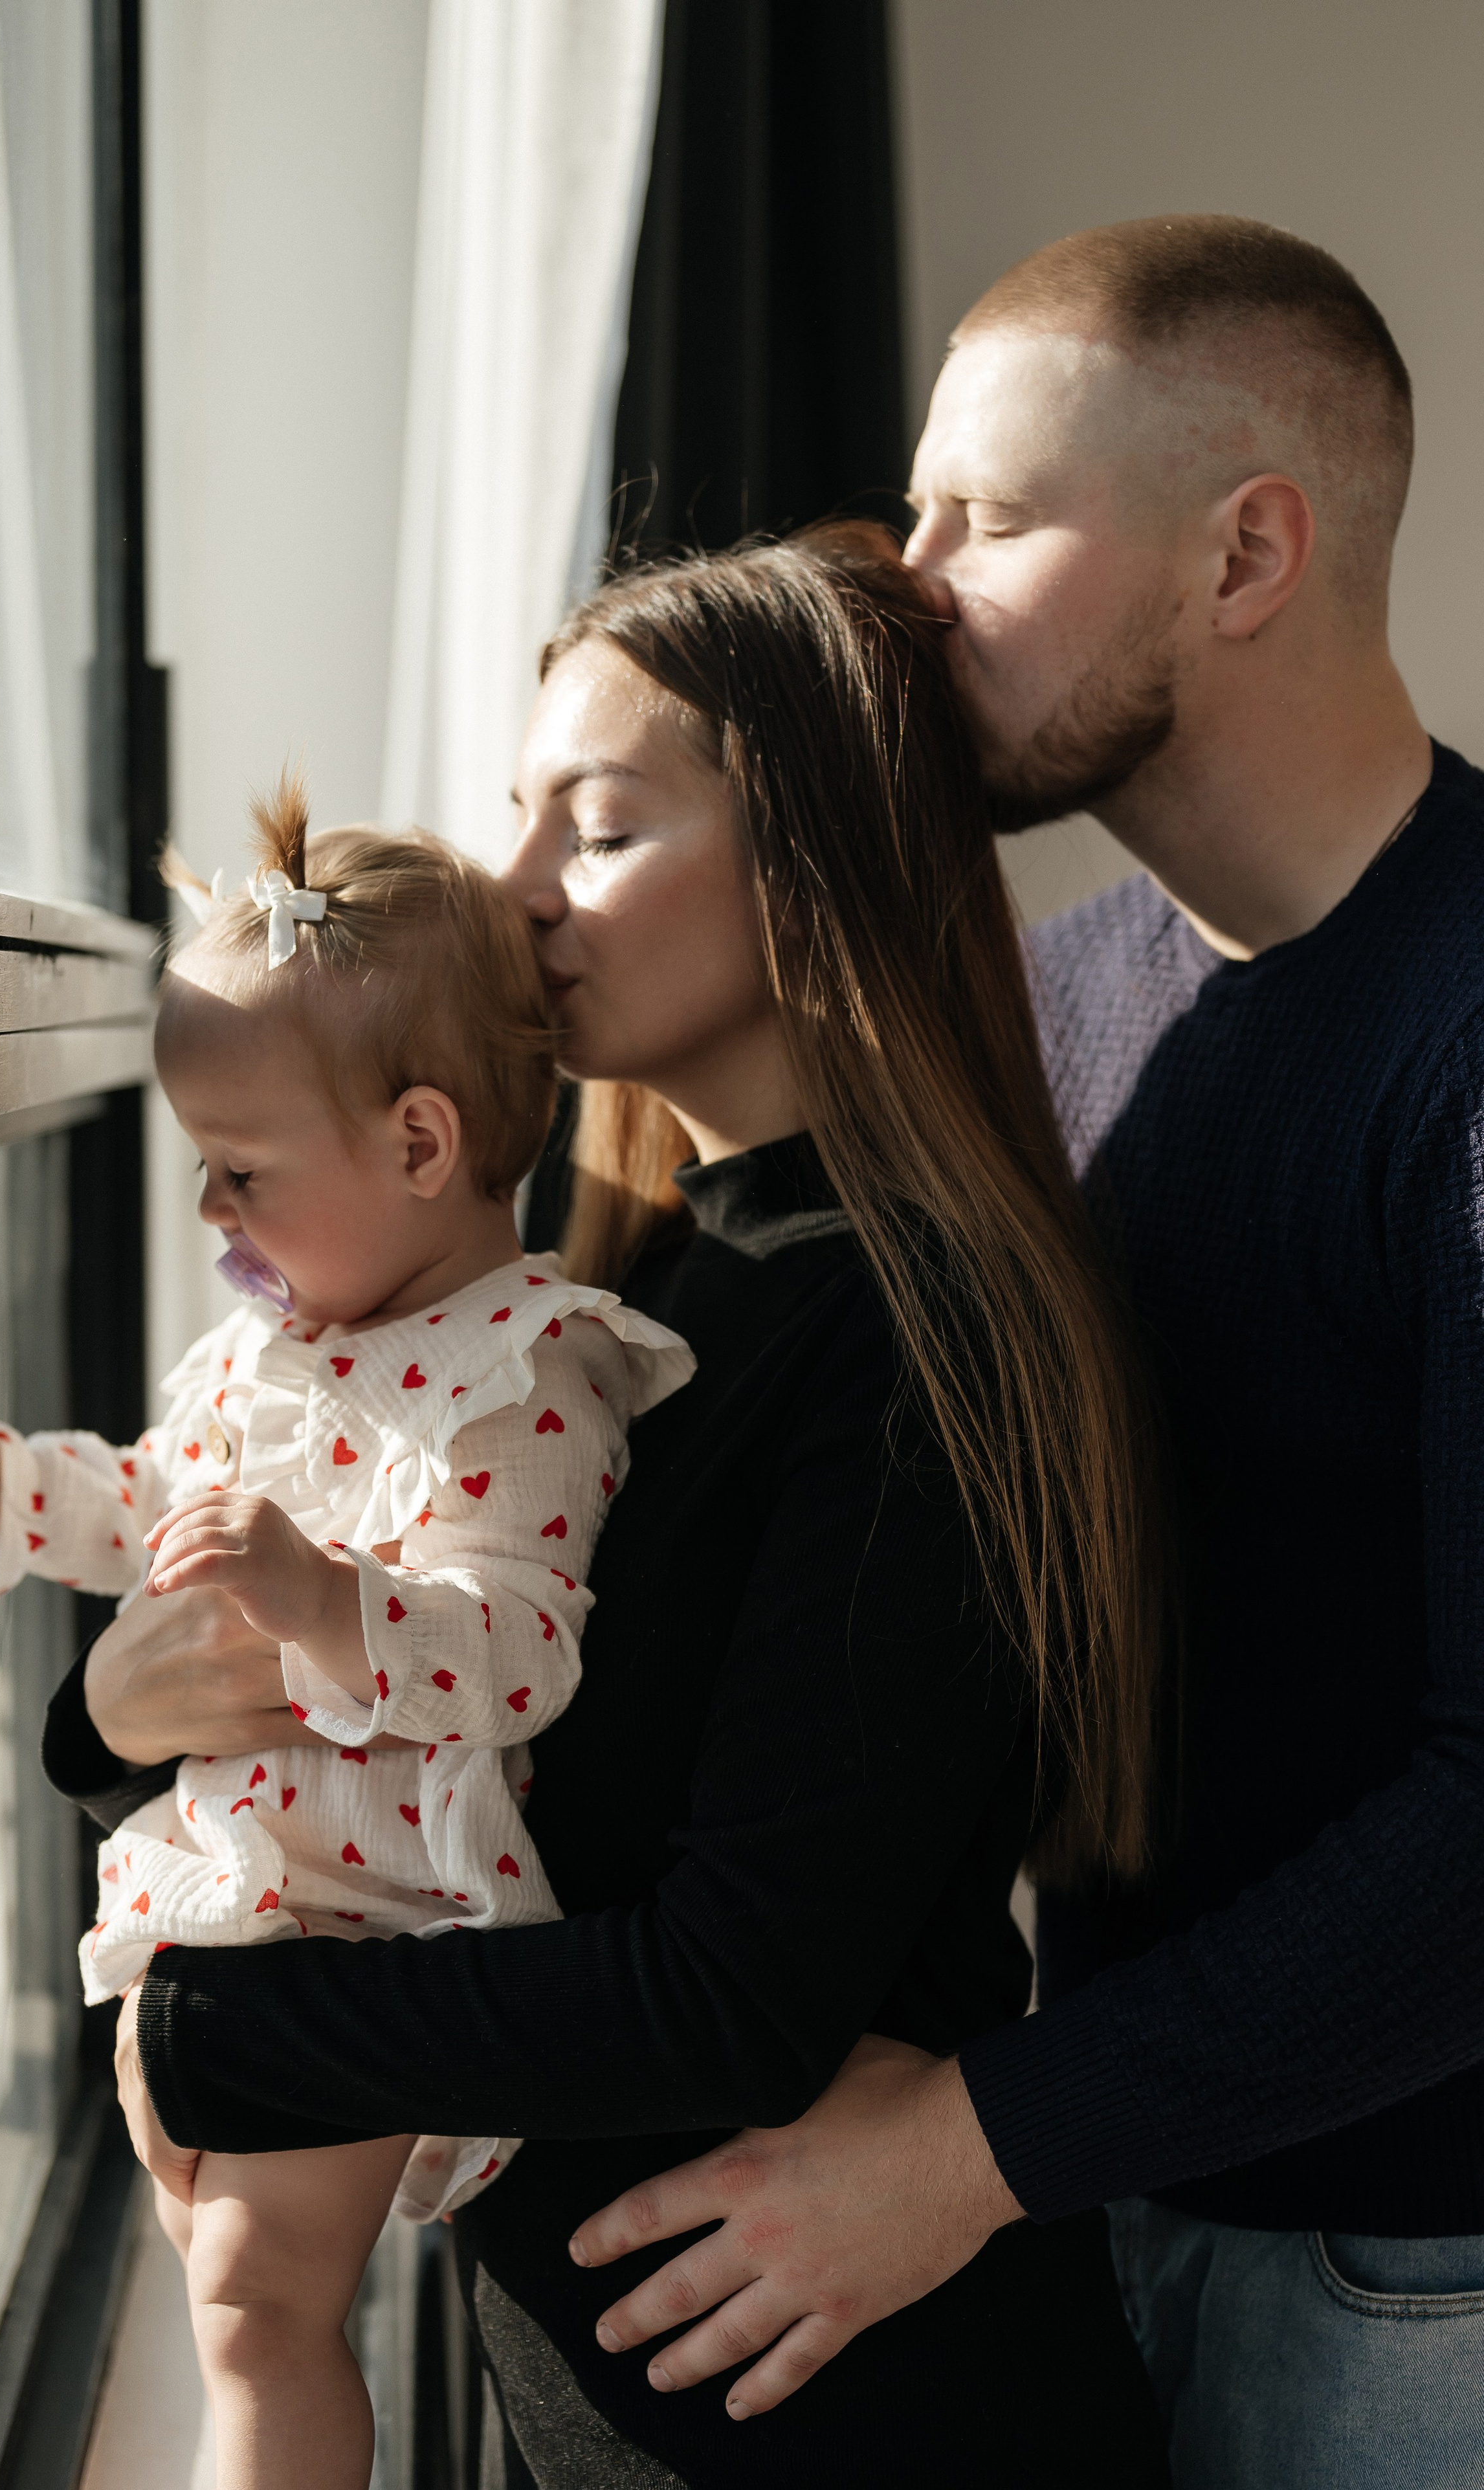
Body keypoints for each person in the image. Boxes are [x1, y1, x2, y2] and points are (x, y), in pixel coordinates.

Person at [45, 527, 1173, 2484]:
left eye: (605, 827)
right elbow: (328, 1640)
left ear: (814, 865)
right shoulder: (595, 1294)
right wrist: (102, 1720)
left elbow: (722, 1990)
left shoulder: (919, 1332)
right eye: (516, 812)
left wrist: (219, 2039)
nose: (515, 888)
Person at [568, 216, 1484, 2490]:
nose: (907, 577)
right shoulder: (1063, 1012)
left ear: (1247, 550)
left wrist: (963, 2147)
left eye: (986, 518)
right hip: (1114, 2199)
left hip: (1415, 2290)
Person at [0, 790, 691, 2490]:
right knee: (230, 2301)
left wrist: (319, 1600)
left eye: (244, 1169)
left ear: (421, 1146)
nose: (211, 1210)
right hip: (234, 1895)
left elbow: (519, 1653)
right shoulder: (268, 1352)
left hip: (374, 1928)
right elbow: (144, 1503)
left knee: (265, 2314)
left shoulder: (527, 1370)